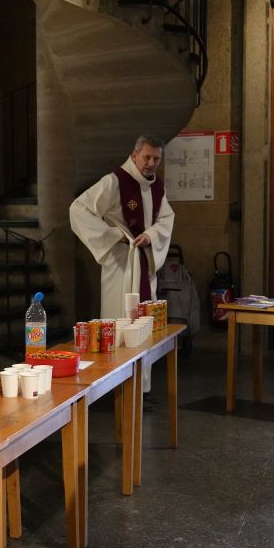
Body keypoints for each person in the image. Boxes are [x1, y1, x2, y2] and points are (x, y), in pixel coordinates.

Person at [70, 135, 175, 394]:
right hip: (120, 263)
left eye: (156, 159)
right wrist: (112, 235)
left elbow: (166, 219)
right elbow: (78, 209)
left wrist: (151, 235)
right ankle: (116, 388)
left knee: (144, 323)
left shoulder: (157, 187)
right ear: (134, 155)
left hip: (144, 263)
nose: (151, 163)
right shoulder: (115, 181)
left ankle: (142, 387)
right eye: (147, 157)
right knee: (119, 321)